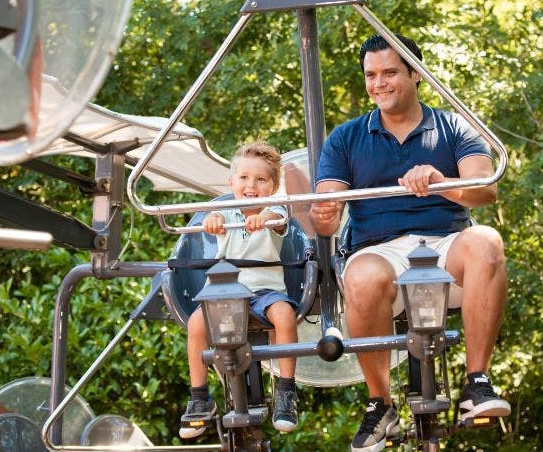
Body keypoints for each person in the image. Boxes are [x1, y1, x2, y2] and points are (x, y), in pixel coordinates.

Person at [309, 34, 510, 451]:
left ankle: (478, 383)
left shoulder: (455, 126)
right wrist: (323, 214)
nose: (378, 83)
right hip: (380, 249)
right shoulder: (346, 138)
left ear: (417, 74)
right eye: (370, 75)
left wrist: (441, 183)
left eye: (389, 73)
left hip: (445, 243)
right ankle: (380, 403)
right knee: (360, 275)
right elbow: (326, 206)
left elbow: (485, 190)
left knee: (486, 242)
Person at [180, 141, 300, 439]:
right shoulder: (224, 212)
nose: (251, 185)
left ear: (272, 187)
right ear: (231, 182)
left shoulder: (275, 211)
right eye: (244, 178)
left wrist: (264, 219)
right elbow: (213, 220)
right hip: (225, 293)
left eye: (260, 180)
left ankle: (286, 391)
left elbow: (279, 221)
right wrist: (213, 221)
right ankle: (199, 396)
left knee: (284, 315)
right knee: (196, 324)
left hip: (263, 292)